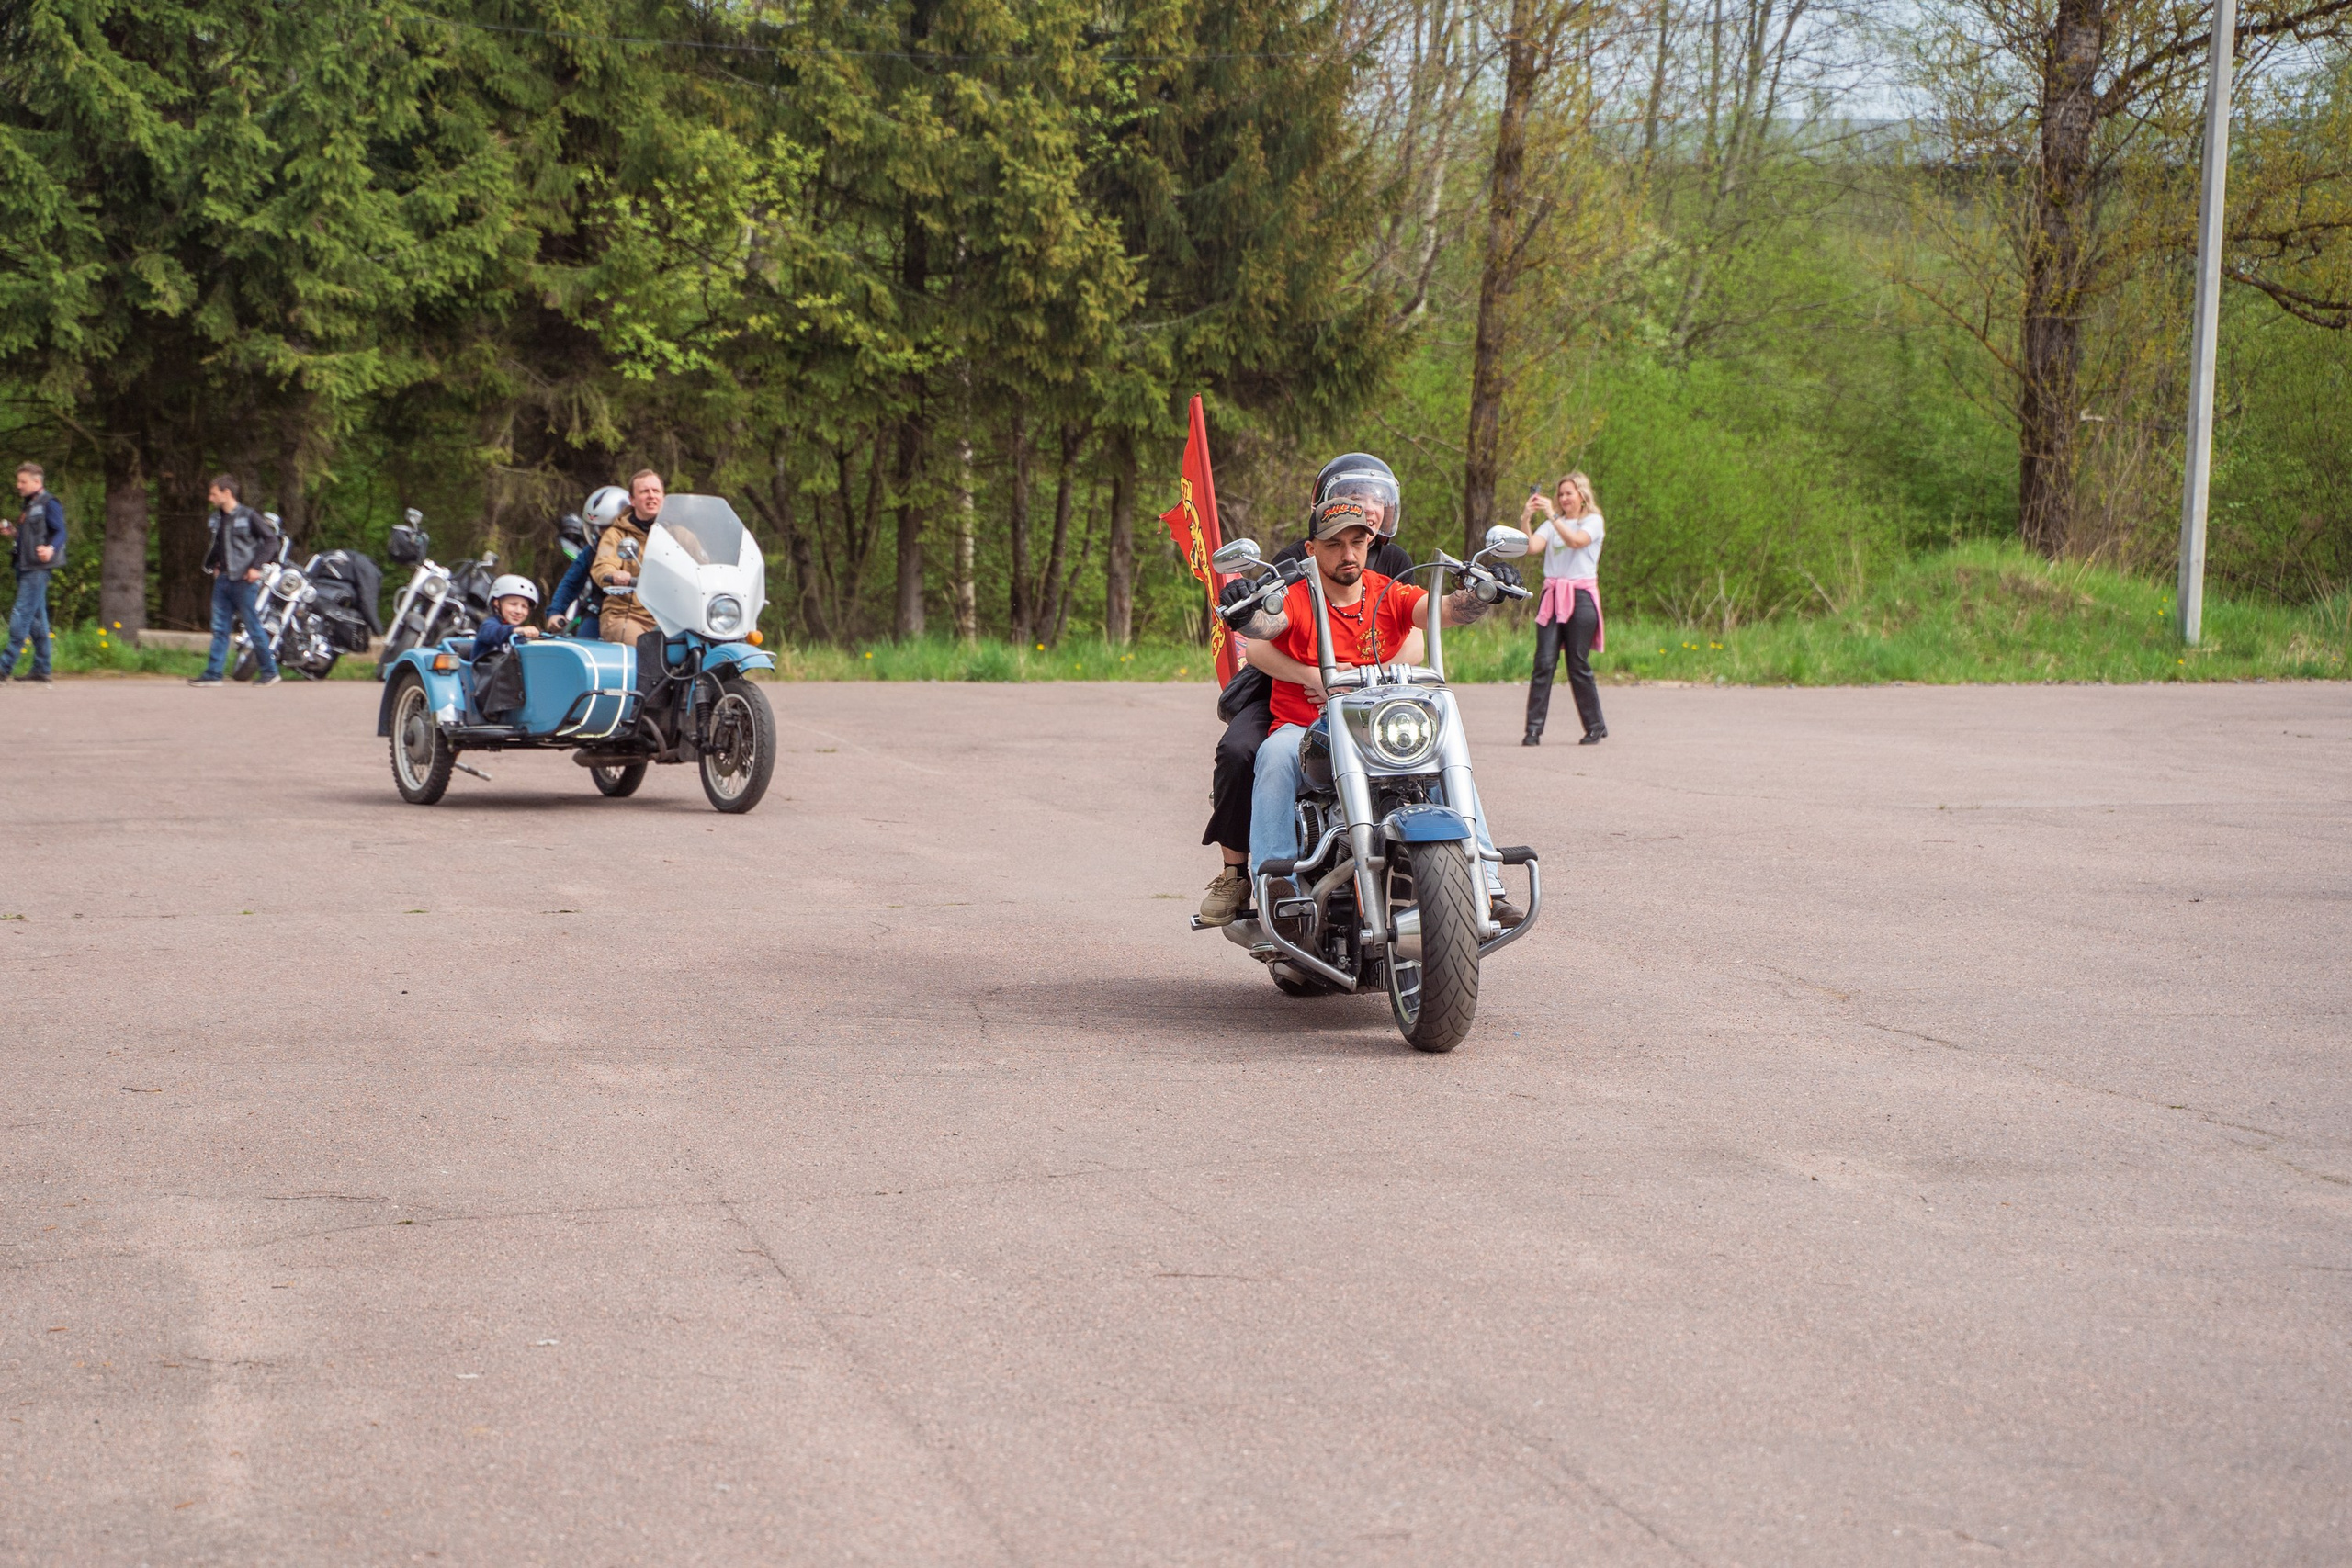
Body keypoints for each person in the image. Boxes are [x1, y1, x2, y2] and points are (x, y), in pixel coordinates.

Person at [1237, 491, 1526, 928]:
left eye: (1357, 541)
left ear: (1369, 542)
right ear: (1312, 549)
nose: (1348, 554)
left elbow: (1444, 610)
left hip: (1380, 728)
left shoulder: (1388, 592)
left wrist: (1483, 593)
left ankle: (1485, 884)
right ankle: (1279, 889)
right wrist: (1246, 611)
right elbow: (1264, 626)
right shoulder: (1296, 596)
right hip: (1305, 728)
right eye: (1334, 544)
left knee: (1444, 751)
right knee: (1273, 757)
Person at [1198, 455, 1420, 925]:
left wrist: (1362, 678)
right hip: (1286, 681)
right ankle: (1242, 874)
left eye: (1377, 499)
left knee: (1427, 748)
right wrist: (1313, 676)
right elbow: (1261, 638)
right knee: (1244, 751)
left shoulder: (1396, 564)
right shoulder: (1294, 562)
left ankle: (1476, 873)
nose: (1369, 506)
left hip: (1367, 691)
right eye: (1356, 496)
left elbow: (1417, 632)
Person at [1521, 470, 1606, 746]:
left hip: (1580, 597)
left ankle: (1595, 726)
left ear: (1582, 495)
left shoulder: (1593, 521)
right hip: (1553, 596)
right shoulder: (1551, 524)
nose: (1564, 498)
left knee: (1577, 663)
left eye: (1569, 493)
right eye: (1560, 494)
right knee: (1544, 662)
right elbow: (1531, 547)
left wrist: (1552, 515)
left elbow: (1576, 541)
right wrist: (1526, 518)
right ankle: (1533, 730)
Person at [189, 474, 281, 687]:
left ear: (227, 493)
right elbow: (218, 545)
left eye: (213, 494)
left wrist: (256, 567)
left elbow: (271, 541)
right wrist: (213, 564)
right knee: (219, 628)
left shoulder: (249, 516)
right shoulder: (218, 519)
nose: (210, 498)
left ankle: (270, 671)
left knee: (253, 627)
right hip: (223, 580)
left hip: (244, 581)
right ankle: (213, 674)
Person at [2, 462, 66, 684]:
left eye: (23, 481)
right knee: (37, 620)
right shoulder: (29, 505)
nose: (18, 485)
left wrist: (50, 549)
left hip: (36, 569)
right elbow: (28, 537)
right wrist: (12, 532)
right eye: (18, 481)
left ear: (37, 481)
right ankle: (41, 668)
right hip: (24, 566)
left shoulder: (49, 503)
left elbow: (60, 531)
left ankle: (3, 667)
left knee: (21, 615)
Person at [591, 469, 663, 649]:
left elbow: (702, 560)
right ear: (632, 500)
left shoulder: (676, 532)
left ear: (663, 497)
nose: (651, 496)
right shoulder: (616, 534)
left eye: (656, 491)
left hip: (669, 617)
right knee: (646, 652)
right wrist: (614, 574)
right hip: (626, 615)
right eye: (644, 491)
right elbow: (603, 565)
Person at [547, 485, 629, 634]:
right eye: (598, 529)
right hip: (600, 611)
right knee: (584, 640)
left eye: (608, 529)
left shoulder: (640, 544)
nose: (602, 534)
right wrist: (555, 611)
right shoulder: (591, 550)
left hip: (638, 613)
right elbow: (571, 581)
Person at [471, 573, 542, 716]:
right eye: (513, 604)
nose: (519, 611)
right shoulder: (490, 624)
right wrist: (515, 630)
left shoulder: (521, 635)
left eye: (524, 606)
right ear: (497, 603)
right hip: (483, 684)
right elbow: (489, 633)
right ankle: (492, 712)